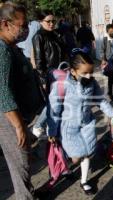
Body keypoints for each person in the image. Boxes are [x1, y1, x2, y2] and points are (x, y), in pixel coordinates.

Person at [47, 51, 113, 195]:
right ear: (73, 71)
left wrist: (112, 113)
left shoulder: (92, 82)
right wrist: (52, 130)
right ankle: (65, 164)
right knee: (76, 157)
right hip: (69, 126)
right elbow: (53, 108)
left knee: (86, 153)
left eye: (91, 72)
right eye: (85, 73)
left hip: (87, 123)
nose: (89, 76)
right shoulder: (62, 84)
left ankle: (84, 181)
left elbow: (100, 100)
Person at [0, 2, 45, 199]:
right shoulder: (2, 50)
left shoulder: (10, 46)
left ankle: (28, 194)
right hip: (9, 118)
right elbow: (3, 92)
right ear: (5, 24)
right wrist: (19, 127)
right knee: (21, 165)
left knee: (24, 163)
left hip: (18, 116)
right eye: (22, 24)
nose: (26, 29)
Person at [32, 10, 66, 138]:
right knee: (53, 102)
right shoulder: (38, 36)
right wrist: (43, 80)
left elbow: (62, 52)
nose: (51, 24)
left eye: (53, 21)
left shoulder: (55, 34)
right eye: (48, 21)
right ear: (41, 21)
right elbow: (39, 61)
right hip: (49, 75)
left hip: (60, 73)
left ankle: (52, 126)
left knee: (59, 102)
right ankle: (38, 125)